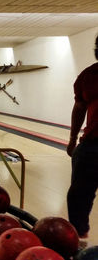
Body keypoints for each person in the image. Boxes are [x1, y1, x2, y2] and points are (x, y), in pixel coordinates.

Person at [66, 35, 98, 242]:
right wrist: (72, 138)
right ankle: (78, 238)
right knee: (78, 197)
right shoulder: (89, 75)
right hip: (92, 145)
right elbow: (79, 107)